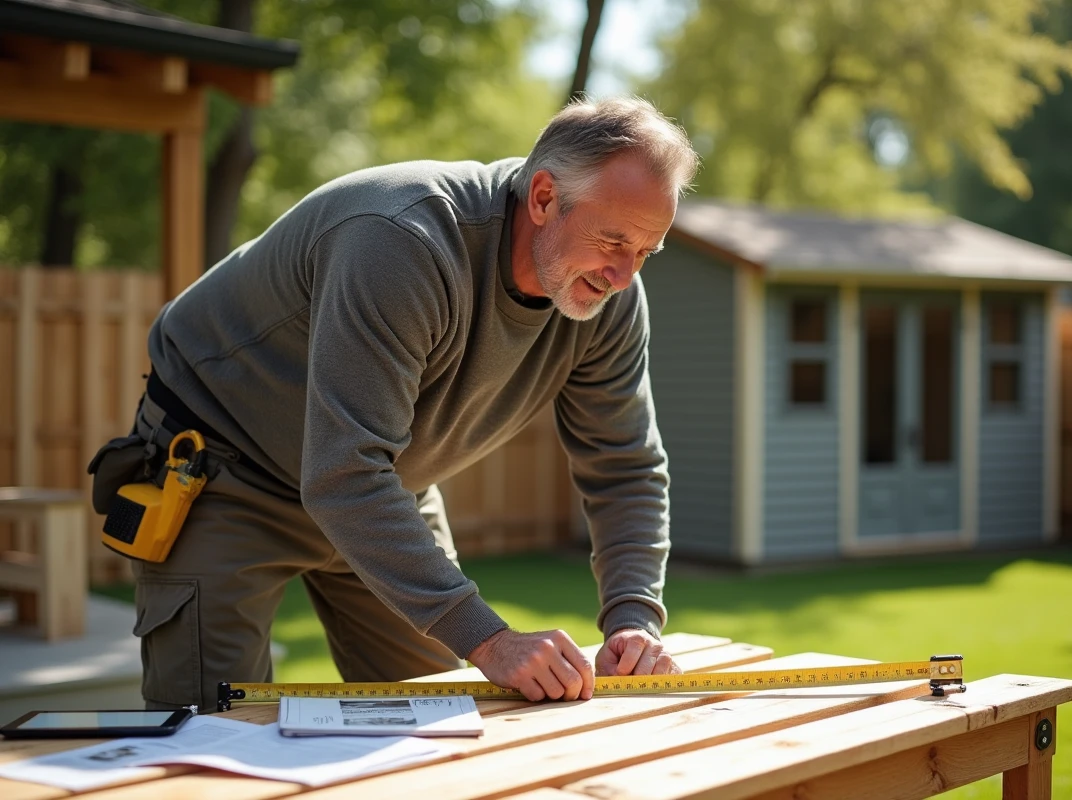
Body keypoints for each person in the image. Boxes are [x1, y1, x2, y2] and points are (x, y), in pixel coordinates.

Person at [94, 96, 699, 713]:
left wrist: (633, 619)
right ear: (543, 198)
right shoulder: (400, 242)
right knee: (214, 734)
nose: (624, 275)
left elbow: (624, 465)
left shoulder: (610, 301)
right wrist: (490, 639)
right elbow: (342, 474)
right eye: (612, 240)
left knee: (444, 721)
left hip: (384, 488)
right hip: (223, 468)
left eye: (646, 251)